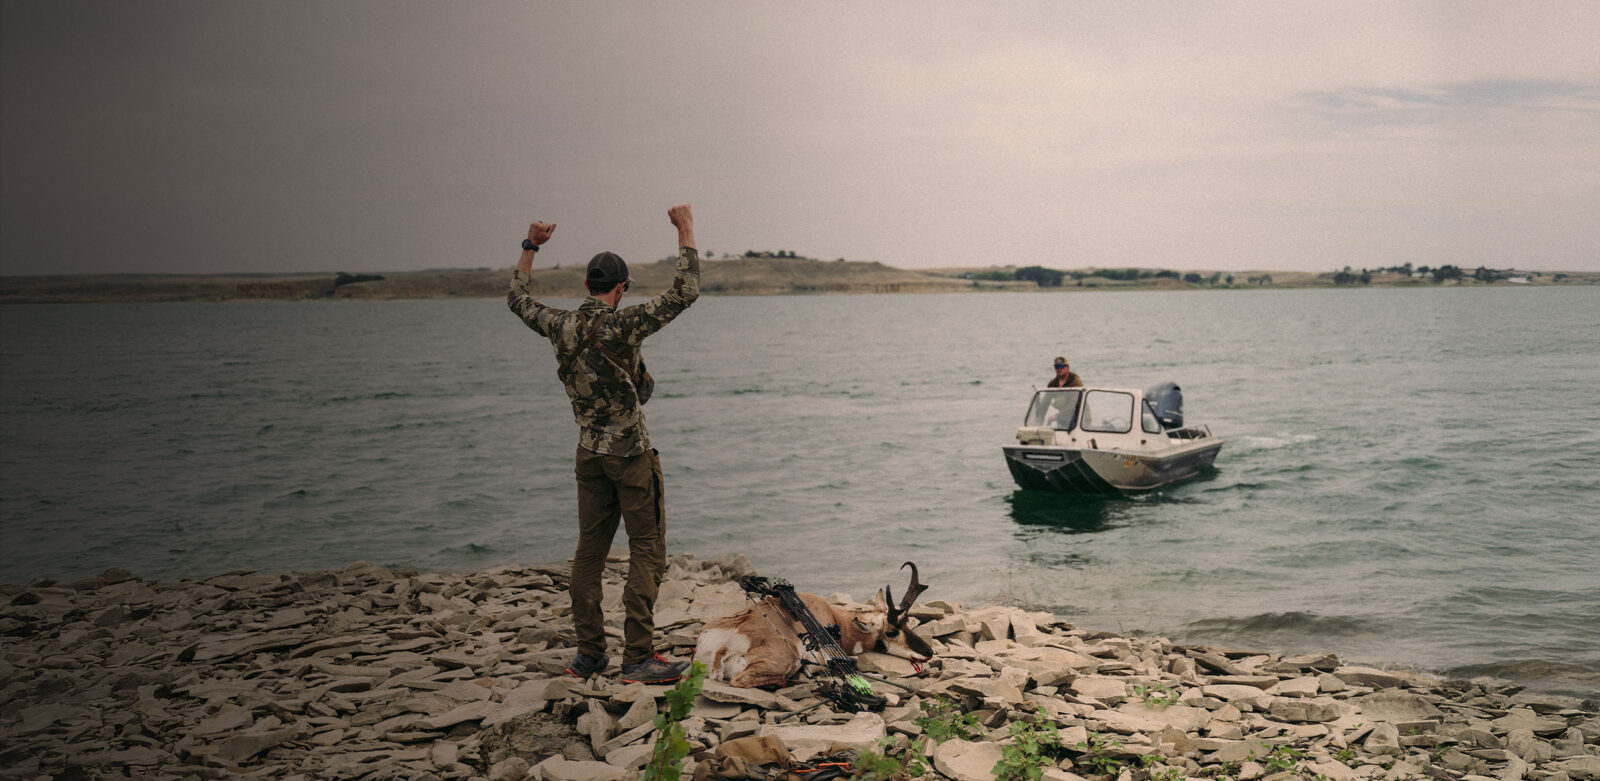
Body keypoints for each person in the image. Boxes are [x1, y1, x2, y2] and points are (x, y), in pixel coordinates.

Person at [507, 204, 701, 684]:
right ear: (621, 289)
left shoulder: (560, 325)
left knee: (589, 555)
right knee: (646, 550)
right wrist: (685, 229)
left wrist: (531, 245)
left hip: (588, 455)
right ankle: (638, 657)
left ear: (586, 288)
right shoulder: (624, 325)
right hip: (632, 456)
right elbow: (685, 291)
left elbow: (517, 299)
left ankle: (590, 654)